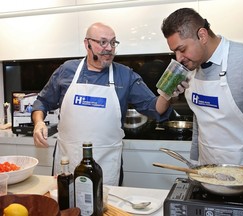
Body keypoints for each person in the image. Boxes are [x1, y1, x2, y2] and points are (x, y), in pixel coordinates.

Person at [160, 8, 243, 205]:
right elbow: (200, 120)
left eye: (182, 49)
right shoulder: (191, 69)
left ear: (202, 35)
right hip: (206, 178)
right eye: (174, 51)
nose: (178, 58)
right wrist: (194, 166)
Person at [32, 22, 181, 186]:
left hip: (106, 164)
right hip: (68, 160)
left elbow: (155, 108)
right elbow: (43, 102)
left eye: (113, 42)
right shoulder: (67, 70)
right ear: (87, 43)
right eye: (103, 42)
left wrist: (168, 94)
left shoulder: (125, 76)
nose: (109, 48)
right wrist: (38, 122)